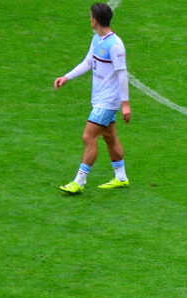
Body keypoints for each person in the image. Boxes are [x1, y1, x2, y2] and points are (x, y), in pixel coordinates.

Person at [54, 3, 131, 194]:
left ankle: (79, 181)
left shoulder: (115, 45)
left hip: (108, 101)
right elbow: (88, 62)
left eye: (90, 16)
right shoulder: (97, 39)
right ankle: (121, 177)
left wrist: (125, 104)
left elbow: (123, 74)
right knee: (109, 136)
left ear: (95, 20)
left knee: (88, 137)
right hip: (99, 97)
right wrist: (67, 77)